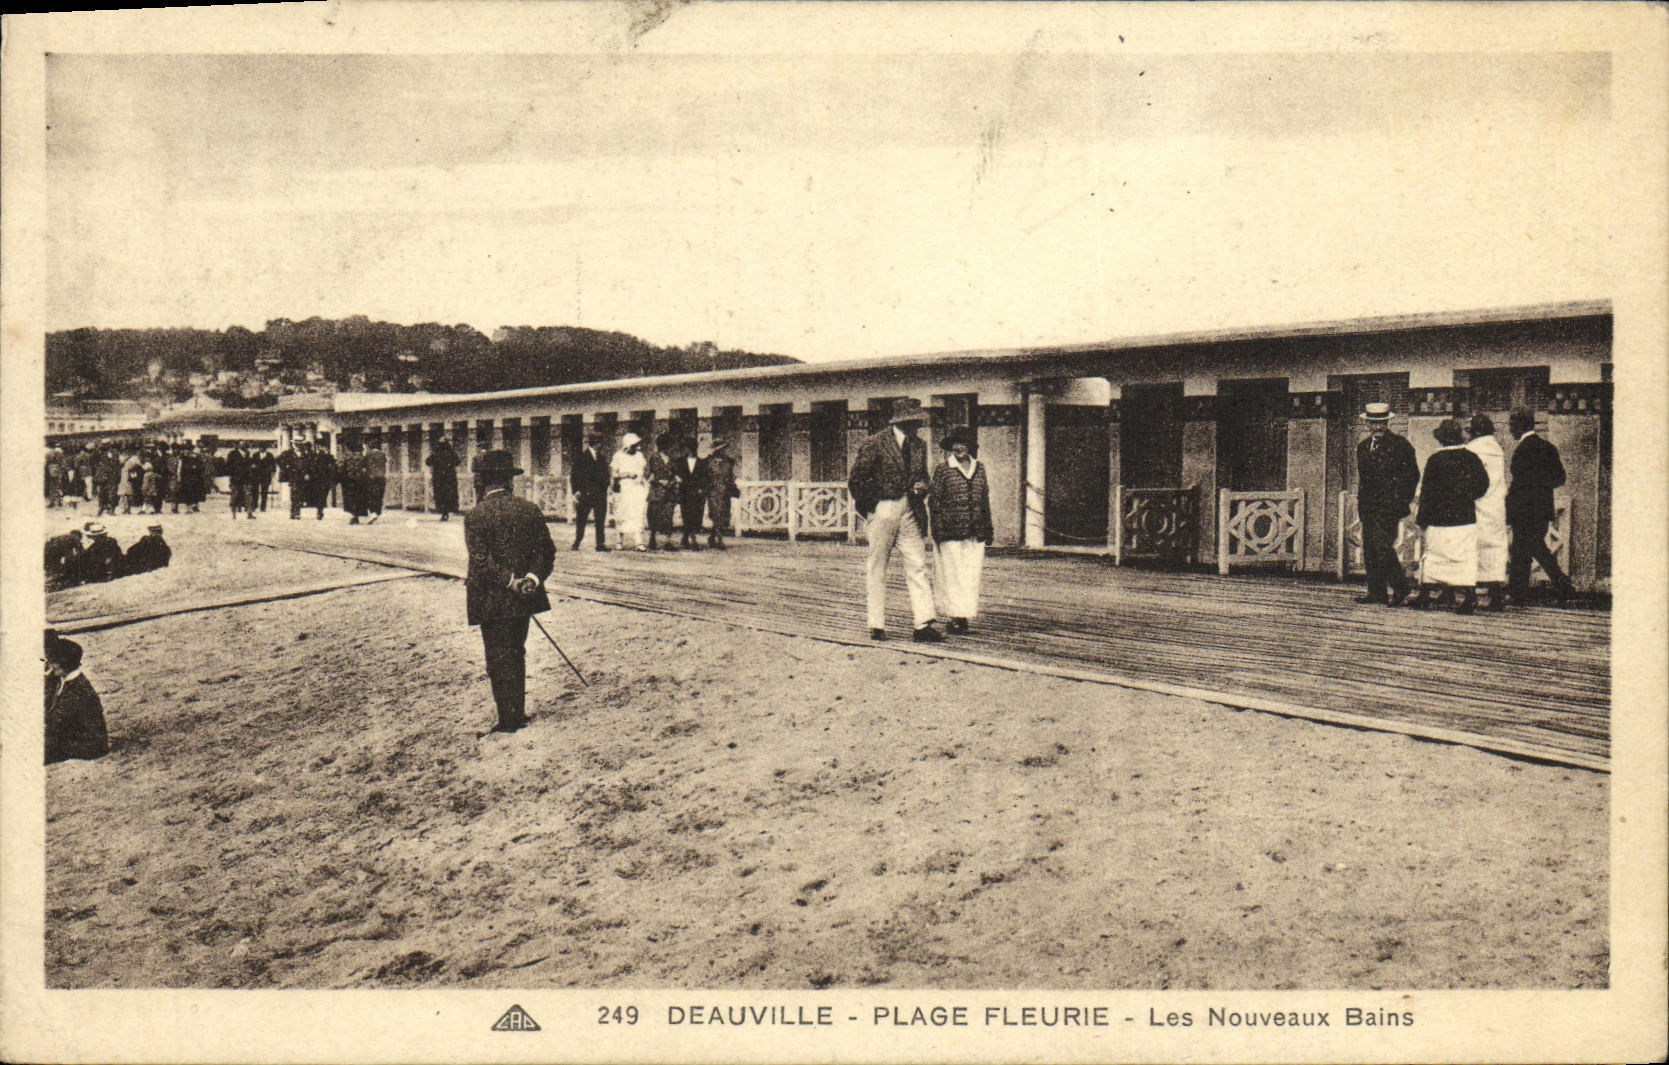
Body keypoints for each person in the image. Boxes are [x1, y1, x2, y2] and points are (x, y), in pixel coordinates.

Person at [464, 449, 557, 735]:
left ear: (482, 482)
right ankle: (517, 713)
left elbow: (481, 561)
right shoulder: (529, 509)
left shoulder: (476, 515)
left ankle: (509, 720)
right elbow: (546, 552)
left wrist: (509, 581)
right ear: (509, 481)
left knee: (498, 656)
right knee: (516, 651)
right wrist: (531, 578)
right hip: (525, 597)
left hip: (492, 600)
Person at [847, 398, 941, 642]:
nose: (917, 425)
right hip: (883, 509)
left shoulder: (919, 445)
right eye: (914, 421)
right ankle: (876, 624)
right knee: (878, 566)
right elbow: (856, 480)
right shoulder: (875, 443)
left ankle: (923, 624)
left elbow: (923, 476)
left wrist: (922, 486)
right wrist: (873, 509)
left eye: (918, 421)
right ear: (902, 421)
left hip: (911, 510)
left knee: (918, 564)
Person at [1409, 417, 1490, 613]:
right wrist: (1467, 497)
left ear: (1441, 439)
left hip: (1439, 519)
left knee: (1434, 556)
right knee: (1464, 557)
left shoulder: (1435, 460)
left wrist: (1422, 520)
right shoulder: (1471, 458)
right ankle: (1469, 598)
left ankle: (1425, 595)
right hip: (1464, 517)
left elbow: (1427, 493)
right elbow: (1483, 484)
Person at [1505, 407, 1578, 605]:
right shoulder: (1547, 447)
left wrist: (1509, 507)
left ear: (1520, 425)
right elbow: (1559, 478)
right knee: (1531, 548)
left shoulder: (1522, 451)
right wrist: (1541, 487)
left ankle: (1523, 592)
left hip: (1523, 509)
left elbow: (1518, 484)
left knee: (1524, 550)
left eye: (1512, 424)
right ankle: (1527, 591)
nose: (1510, 429)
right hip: (1542, 509)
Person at [1353, 401, 1421, 606]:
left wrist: (1400, 499)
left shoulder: (1400, 445)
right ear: (1367, 424)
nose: (1378, 427)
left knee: (1382, 547)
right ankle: (1377, 593)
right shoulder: (1363, 447)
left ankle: (1401, 589)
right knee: (1370, 549)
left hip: (1389, 507)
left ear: (1387, 423)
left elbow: (1412, 476)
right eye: (1373, 423)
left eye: (1381, 423)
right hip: (1368, 507)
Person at [928, 427, 993, 634]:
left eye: (963, 444)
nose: (959, 448)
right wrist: (938, 530)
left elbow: (984, 500)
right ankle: (954, 616)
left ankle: (964, 615)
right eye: (955, 444)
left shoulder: (979, 468)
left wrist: (988, 528)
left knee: (971, 575)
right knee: (952, 574)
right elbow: (934, 502)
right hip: (950, 532)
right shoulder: (943, 469)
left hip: (975, 531)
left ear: (970, 447)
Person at [1464, 413, 1509, 611]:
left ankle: (1470, 595)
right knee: (1495, 549)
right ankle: (1496, 595)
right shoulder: (1497, 450)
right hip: (1496, 505)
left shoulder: (1472, 450)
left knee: (1471, 548)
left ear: (1475, 432)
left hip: (1478, 504)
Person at [45, 633, 109, 764]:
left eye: (53, 662)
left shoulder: (78, 691)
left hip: (85, 746)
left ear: (64, 664)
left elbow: (55, 724)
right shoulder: (65, 678)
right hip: (70, 738)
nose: (50, 665)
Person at [570, 433, 611, 550]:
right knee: (582, 519)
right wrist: (576, 490)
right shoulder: (582, 457)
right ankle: (577, 541)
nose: (601, 445)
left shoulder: (601, 458)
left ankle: (600, 544)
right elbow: (574, 475)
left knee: (600, 519)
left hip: (600, 494)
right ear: (594, 443)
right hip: (585, 493)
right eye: (600, 443)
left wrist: (605, 486)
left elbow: (606, 475)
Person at [611, 432, 650, 551]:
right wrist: (627, 474)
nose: (637, 447)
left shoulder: (639, 455)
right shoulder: (618, 456)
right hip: (624, 488)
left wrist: (642, 477)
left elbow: (644, 470)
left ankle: (639, 541)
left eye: (637, 445)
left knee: (637, 514)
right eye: (634, 445)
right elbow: (614, 474)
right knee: (622, 513)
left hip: (637, 488)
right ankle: (619, 541)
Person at [702, 439, 740, 549]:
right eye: (720, 449)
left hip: (725, 491)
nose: (722, 451)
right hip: (713, 491)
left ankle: (712, 536)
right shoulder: (707, 462)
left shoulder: (729, 462)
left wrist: (733, 487)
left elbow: (731, 476)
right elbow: (705, 477)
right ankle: (719, 539)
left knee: (724, 514)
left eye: (723, 449)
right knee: (716, 513)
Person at [646, 433, 679, 550]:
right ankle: (652, 538)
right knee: (653, 515)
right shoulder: (653, 458)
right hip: (657, 491)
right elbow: (648, 475)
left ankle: (667, 542)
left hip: (669, 491)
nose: (670, 448)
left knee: (668, 515)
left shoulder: (672, 459)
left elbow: (676, 474)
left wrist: (672, 482)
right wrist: (658, 481)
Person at [673, 436, 707, 549]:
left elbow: (704, 477)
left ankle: (686, 537)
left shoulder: (701, 462)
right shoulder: (680, 462)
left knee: (696, 515)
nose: (686, 450)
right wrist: (677, 479)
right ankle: (693, 539)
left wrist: (701, 488)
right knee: (686, 514)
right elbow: (675, 473)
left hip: (697, 493)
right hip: (685, 492)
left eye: (688, 447)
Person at [426, 435, 462, 521]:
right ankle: (448, 511)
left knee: (440, 494)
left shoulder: (436, 452)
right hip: (449, 478)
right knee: (449, 494)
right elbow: (457, 462)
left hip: (439, 478)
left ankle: (443, 512)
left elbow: (428, 462)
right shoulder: (451, 452)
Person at [305, 444, 336, 520]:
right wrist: (308, 474)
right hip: (315, 479)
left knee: (323, 495)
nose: (320, 448)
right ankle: (319, 510)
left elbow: (333, 467)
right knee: (317, 495)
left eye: (322, 446)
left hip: (325, 479)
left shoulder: (329, 457)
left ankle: (320, 510)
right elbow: (308, 466)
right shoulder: (313, 456)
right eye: (319, 446)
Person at [339, 445, 368, 524]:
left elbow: (340, 467)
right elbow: (365, 469)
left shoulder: (346, 457)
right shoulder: (362, 458)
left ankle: (354, 516)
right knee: (358, 498)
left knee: (350, 499)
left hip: (349, 481)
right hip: (359, 481)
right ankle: (356, 515)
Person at [362, 439, 388, 524]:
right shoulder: (383, 454)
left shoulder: (368, 455)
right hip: (381, 477)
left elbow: (364, 467)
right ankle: (376, 513)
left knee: (371, 496)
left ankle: (373, 513)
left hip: (371, 478)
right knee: (379, 496)